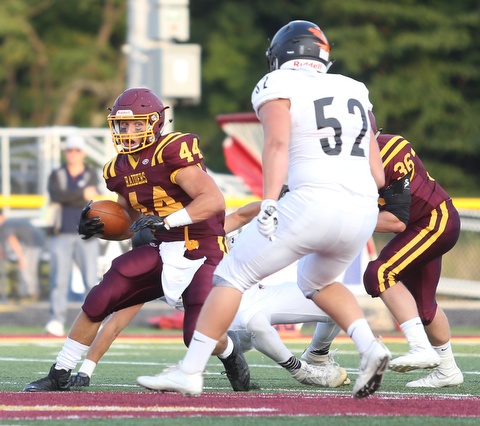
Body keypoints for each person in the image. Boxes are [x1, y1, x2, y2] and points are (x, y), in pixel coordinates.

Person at [134, 20, 391, 399]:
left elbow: (276, 143)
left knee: (230, 277)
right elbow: (378, 174)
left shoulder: (278, 82)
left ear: (281, 55)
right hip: (363, 207)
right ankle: (370, 348)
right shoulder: (354, 88)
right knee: (318, 282)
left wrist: (270, 200)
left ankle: (190, 371)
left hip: (312, 201)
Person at [23, 87, 250, 393]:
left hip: (203, 247)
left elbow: (213, 201)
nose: (129, 131)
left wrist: (168, 220)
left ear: (154, 123)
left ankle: (230, 354)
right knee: (100, 298)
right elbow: (128, 223)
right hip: (161, 246)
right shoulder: (119, 167)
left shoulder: (171, 151)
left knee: (197, 333)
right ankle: (61, 372)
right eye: (123, 125)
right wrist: (98, 226)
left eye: (137, 124)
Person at [68, 198, 348, 389]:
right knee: (255, 322)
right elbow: (113, 324)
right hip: (227, 320)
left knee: (332, 297)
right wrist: (85, 370)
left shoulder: (197, 238)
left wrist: (274, 199)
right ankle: (300, 370)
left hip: (259, 293)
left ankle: (318, 354)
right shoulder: (153, 271)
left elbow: (240, 215)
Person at [363, 113, 463, 388]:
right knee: (423, 308)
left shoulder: (391, 151)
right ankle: (448, 370)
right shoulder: (340, 165)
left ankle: (420, 348)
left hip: (435, 220)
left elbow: (396, 221)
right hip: (419, 225)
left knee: (379, 273)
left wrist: (343, 217)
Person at [45, 134, 101, 337]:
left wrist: (74, 196)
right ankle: (56, 319)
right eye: (70, 150)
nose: (73, 154)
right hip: (61, 233)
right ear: (65, 152)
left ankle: (94, 320)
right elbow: (57, 195)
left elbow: (92, 196)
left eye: (76, 150)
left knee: (90, 280)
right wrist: (81, 195)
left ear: (83, 153)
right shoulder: (57, 174)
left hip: (86, 235)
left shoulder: (91, 173)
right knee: (58, 280)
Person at [0, 210, 45, 301]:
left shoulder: (6, 224)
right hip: (31, 242)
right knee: (26, 268)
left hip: (33, 243)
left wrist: (21, 258)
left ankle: (31, 294)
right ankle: (25, 294)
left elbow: (13, 241)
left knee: (27, 268)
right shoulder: (8, 223)